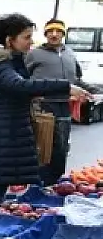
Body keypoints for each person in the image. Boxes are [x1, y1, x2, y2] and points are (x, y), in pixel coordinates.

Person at [0, 14, 88, 206]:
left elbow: (19, 90)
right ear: (9, 40)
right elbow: (20, 86)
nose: (31, 42)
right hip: (1, 138)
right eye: (26, 37)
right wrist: (65, 87)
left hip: (5, 136)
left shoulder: (12, 62)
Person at [25, 19, 85, 186]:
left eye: (58, 31)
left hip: (64, 106)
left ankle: (55, 182)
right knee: (43, 147)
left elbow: (78, 79)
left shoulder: (70, 53)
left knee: (61, 147)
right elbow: (23, 79)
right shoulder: (34, 54)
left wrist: (88, 91)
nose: (54, 34)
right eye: (50, 31)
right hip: (43, 106)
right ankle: (38, 184)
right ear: (45, 34)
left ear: (63, 34)